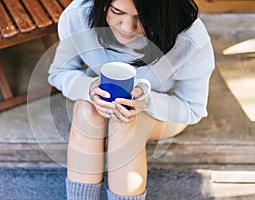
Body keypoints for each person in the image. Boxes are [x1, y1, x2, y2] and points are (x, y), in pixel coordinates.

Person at [48, 0, 215, 199]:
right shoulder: (78, 16)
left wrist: (147, 102)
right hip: (101, 104)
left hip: (162, 110)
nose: (127, 28)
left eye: (141, 18)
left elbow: (192, 108)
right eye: (117, 12)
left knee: (126, 124)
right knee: (86, 110)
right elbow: (59, 72)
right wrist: (89, 89)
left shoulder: (189, 38)